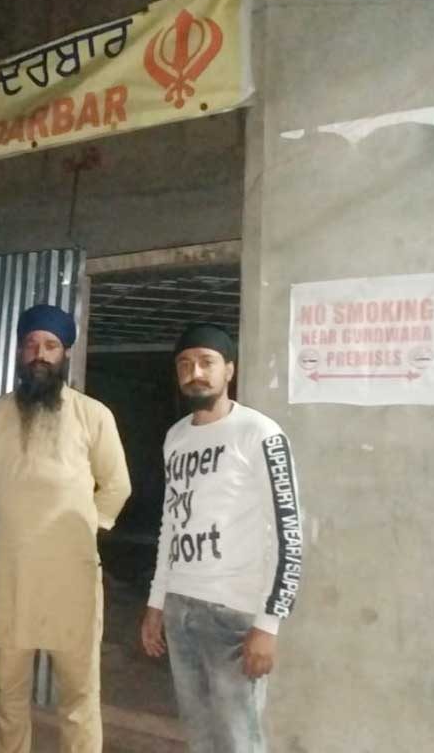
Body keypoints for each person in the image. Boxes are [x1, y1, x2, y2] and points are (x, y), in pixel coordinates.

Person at [0, 303, 132, 753]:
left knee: (80, 700)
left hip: (72, 580)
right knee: (8, 696)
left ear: (65, 353)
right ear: (19, 353)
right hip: (14, 578)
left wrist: (87, 527)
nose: (38, 354)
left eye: (49, 346)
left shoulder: (92, 415)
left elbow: (117, 484)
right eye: (30, 345)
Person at [141, 323, 303, 753]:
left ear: (228, 370)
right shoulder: (176, 437)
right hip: (181, 611)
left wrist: (268, 624)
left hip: (234, 614)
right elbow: (171, 525)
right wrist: (157, 602)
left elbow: (289, 532)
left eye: (207, 362)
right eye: (185, 364)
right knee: (200, 736)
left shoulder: (260, 433)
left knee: (239, 741)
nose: (195, 372)